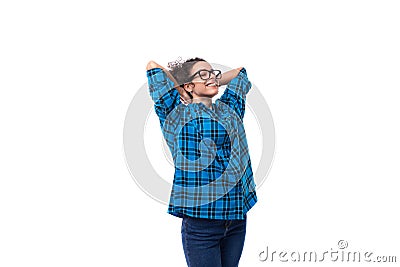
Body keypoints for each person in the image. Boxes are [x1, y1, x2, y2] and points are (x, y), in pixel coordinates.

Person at [146, 57, 257, 267]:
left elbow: (241, 72)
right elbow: (153, 66)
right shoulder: (175, 115)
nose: (212, 78)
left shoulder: (229, 108)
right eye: (203, 74)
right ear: (189, 84)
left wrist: (209, 80)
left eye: (213, 73)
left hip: (236, 218)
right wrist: (180, 88)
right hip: (201, 224)